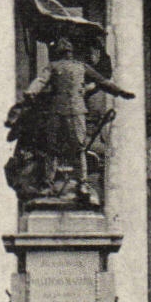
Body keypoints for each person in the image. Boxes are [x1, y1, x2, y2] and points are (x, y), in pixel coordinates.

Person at [20, 37, 135, 204]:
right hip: (65, 111)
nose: (67, 55)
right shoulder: (75, 66)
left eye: (67, 52)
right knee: (69, 148)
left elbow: (41, 81)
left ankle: (73, 183)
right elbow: (102, 82)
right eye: (66, 52)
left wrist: (120, 92)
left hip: (67, 111)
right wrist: (121, 92)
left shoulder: (64, 66)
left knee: (67, 148)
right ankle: (63, 183)